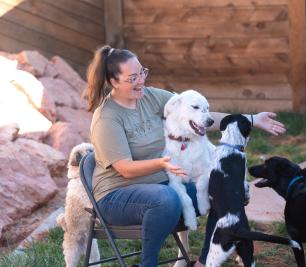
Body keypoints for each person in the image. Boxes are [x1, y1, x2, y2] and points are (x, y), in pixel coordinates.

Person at [83, 45, 286, 267]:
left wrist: (251, 119)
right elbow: (125, 168)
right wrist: (162, 163)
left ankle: (203, 261)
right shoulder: (107, 118)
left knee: (218, 187)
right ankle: (147, 264)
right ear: (113, 82)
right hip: (116, 198)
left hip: (160, 185)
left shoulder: (150, 97)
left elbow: (199, 115)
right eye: (132, 77)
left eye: (142, 72)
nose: (140, 80)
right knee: (165, 198)